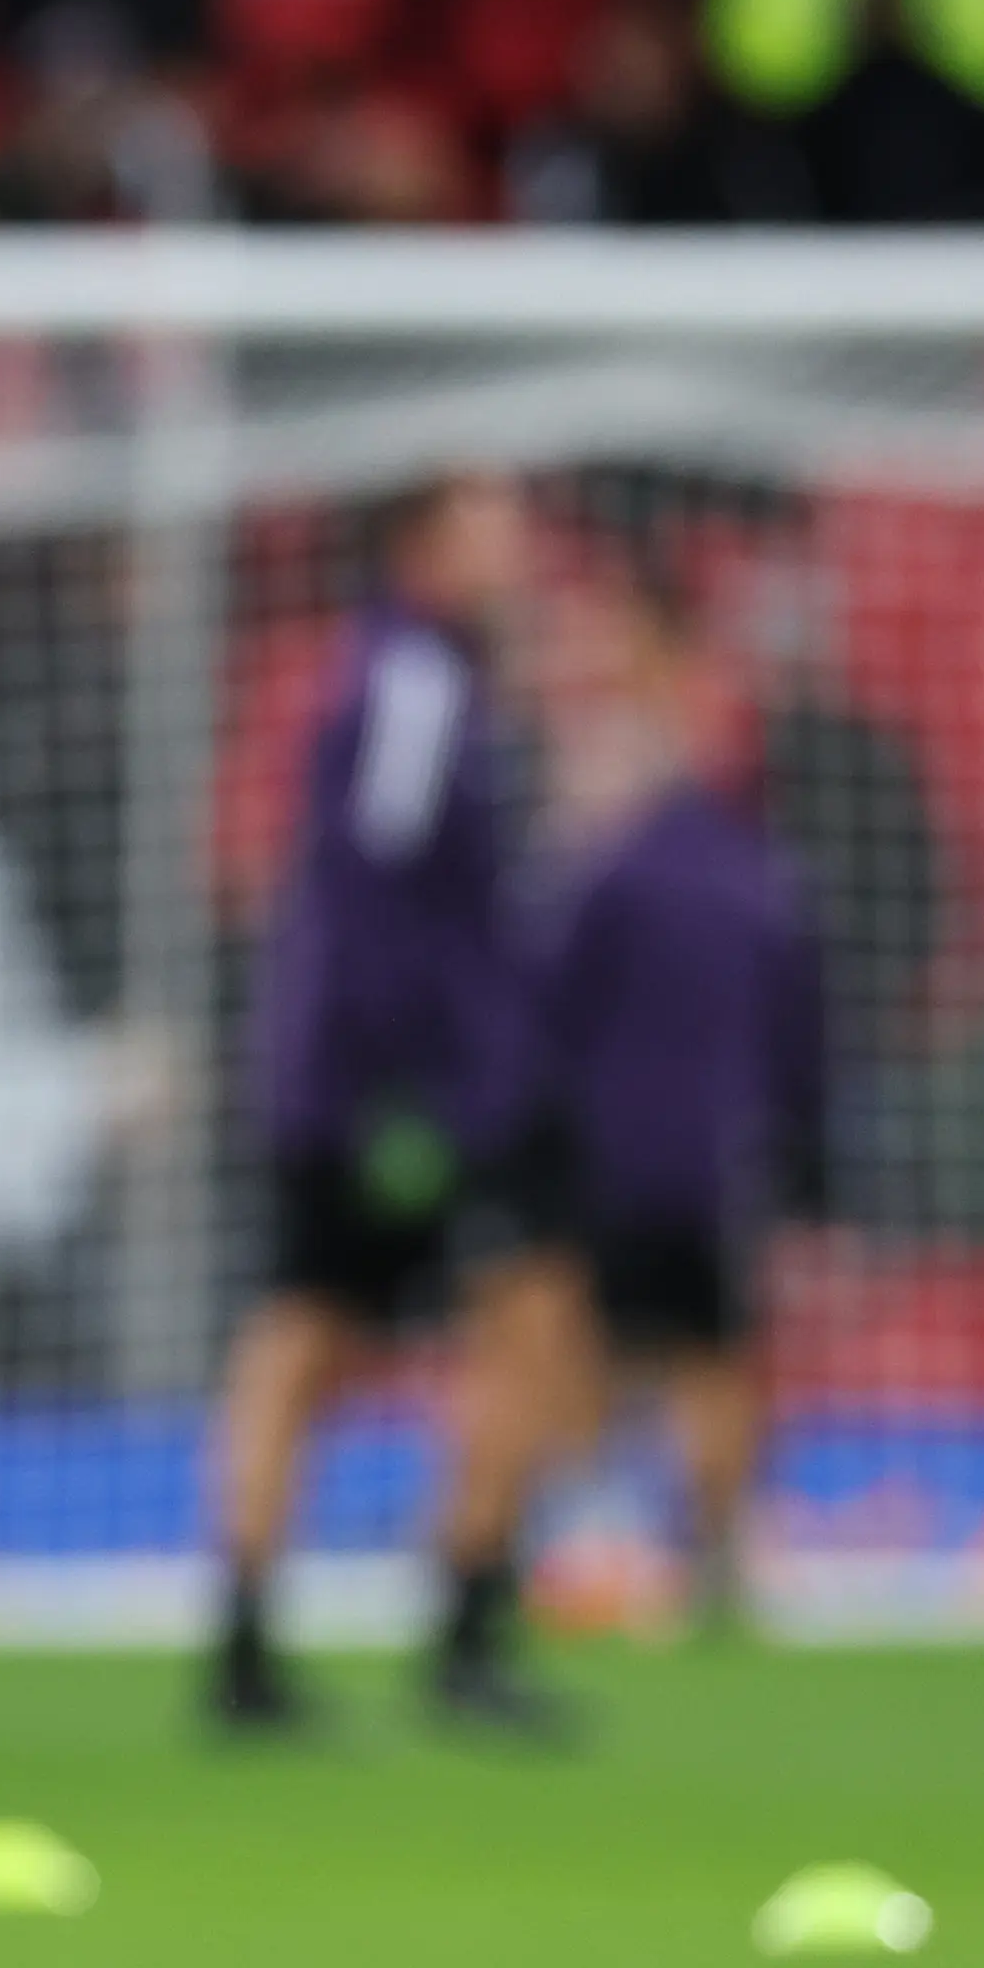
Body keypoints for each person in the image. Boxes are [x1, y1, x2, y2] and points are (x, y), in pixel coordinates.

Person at [208, 470, 571, 1739]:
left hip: (404, 1070)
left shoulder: (428, 673)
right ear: (423, 539)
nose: (519, 541)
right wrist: (398, 1089)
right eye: (492, 518)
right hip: (405, 1081)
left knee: (371, 1326)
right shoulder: (413, 681)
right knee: (343, 1333)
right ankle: (431, 1631)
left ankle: (282, 1639)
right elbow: (366, 883)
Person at [527, 543, 829, 1633]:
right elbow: (804, 1034)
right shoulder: (761, 876)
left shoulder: (604, 868)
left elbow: (548, 1002)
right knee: (713, 1352)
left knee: (576, 1330)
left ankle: (592, 1534)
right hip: (717, 1151)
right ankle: (719, 1565)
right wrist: (810, 1165)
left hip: (605, 1147)